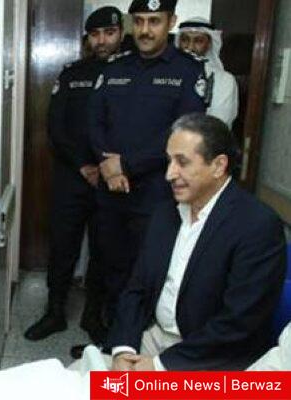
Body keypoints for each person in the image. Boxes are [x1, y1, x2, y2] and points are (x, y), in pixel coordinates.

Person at [106, 113, 285, 371]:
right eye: (169, 161)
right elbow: (137, 288)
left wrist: (158, 366)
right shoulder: (164, 213)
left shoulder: (257, 226)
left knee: (111, 389)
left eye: (182, 162)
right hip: (156, 338)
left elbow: (238, 323)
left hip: (214, 360)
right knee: (78, 380)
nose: (169, 174)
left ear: (218, 166)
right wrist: (124, 349)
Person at [87, 0, 208, 341]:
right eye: (138, 21)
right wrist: (108, 166)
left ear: (171, 22)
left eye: (154, 21)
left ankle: (137, 343)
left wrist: (125, 164)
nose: (144, 30)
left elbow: (184, 131)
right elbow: (94, 121)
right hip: (112, 191)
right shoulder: (115, 67)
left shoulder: (188, 71)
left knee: (148, 272)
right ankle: (113, 343)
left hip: (158, 194)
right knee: (110, 266)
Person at [24, 6, 124, 343]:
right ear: (87, 38)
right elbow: (56, 126)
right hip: (72, 175)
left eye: (109, 33)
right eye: (95, 34)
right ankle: (54, 312)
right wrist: (84, 165)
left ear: (120, 34)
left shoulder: (130, 72)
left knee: (104, 249)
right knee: (62, 246)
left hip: (113, 179)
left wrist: (107, 167)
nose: (102, 41)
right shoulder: (72, 73)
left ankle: (93, 315)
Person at [176, 17, 239, 128]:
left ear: (209, 44)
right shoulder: (165, 73)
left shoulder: (224, 80)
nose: (190, 47)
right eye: (185, 40)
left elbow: (218, 124)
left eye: (198, 41)